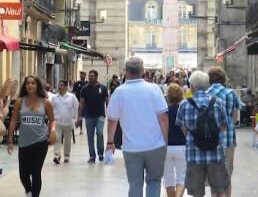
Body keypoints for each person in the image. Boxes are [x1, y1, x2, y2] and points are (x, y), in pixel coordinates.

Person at [106, 57, 168, 197]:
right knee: (154, 181)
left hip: (131, 148)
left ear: (126, 72)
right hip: (155, 145)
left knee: (135, 183)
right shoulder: (154, 89)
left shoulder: (119, 92)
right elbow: (163, 117)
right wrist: (165, 141)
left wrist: (110, 142)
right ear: (143, 71)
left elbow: (112, 120)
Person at [175, 70, 229, 197]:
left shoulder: (184, 104)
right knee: (220, 190)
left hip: (194, 155)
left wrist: (195, 137)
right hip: (215, 153)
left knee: (196, 192)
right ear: (207, 86)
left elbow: (183, 128)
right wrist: (211, 136)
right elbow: (223, 126)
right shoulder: (218, 102)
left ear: (192, 86)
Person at [7, 76, 57, 197]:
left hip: (41, 141)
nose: (30, 85)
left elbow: (52, 120)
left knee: (35, 172)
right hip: (24, 142)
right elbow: (13, 121)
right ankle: (29, 191)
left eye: (33, 83)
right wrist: (10, 140)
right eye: (28, 83)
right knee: (23, 173)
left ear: (37, 85)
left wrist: (53, 131)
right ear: (25, 86)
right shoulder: (20, 101)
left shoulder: (46, 102)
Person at [207, 67, 243, 197]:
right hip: (227, 138)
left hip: (209, 139)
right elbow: (234, 118)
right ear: (223, 78)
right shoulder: (230, 93)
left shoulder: (205, 93)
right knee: (227, 173)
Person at [76, 69, 109, 163]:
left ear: (96, 77)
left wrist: (110, 113)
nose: (90, 77)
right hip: (89, 116)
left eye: (92, 76)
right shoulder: (84, 89)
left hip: (100, 115)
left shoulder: (103, 88)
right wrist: (79, 117)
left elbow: (107, 101)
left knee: (99, 133)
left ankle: (101, 154)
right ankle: (92, 156)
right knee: (90, 136)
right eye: (89, 76)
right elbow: (81, 103)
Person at [164, 83, 187, 197]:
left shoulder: (164, 111)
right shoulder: (184, 110)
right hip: (182, 146)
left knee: (168, 178)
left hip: (167, 147)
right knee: (181, 177)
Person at [50, 79, 79, 164]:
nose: (60, 87)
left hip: (68, 122)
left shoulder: (71, 97)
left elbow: (76, 107)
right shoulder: (54, 97)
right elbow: (51, 109)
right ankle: (57, 155)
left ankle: (66, 155)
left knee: (67, 140)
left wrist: (76, 119)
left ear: (66, 87)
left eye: (62, 85)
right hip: (57, 121)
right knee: (57, 138)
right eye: (59, 85)